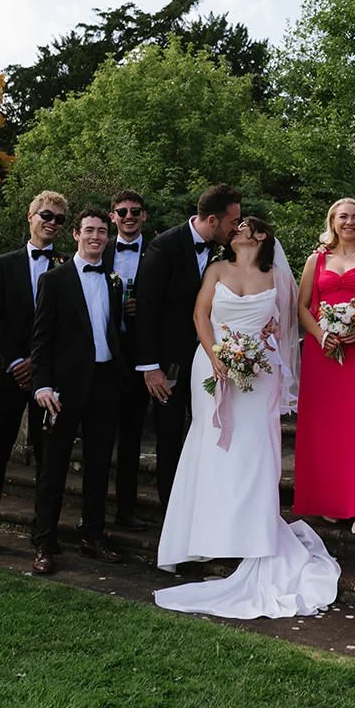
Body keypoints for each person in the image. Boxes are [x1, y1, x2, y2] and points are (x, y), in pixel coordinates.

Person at [155, 216, 341, 618]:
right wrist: (216, 354)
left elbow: (285, 325)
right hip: (212, 366)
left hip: (260, 372)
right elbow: (201, 316)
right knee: (213, 444)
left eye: (243, 225)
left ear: (259, 236)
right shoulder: (217, 269)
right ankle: (206, 535)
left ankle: (252, 533)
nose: (235, 229)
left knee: (255, 448)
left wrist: (268, 336)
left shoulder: (275, 275)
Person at [28, 208, 127, 574]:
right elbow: (41, 338)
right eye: (89, 230)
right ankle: (44, 542)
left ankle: (93, 536)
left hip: (104, 383)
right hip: (63, 389)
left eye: (102, 231)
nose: (96, 237)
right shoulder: (54, 280)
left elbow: (111, 331)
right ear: (76, 234)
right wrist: (42, 384)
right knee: (52, 468)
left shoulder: (114, 280)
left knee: (99, 466)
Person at [134, 184, 242, 508]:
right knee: (169, 438)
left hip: (210, 361)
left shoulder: (224, 251)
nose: (236, 228)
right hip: (168, 364)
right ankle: (172, 514)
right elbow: (146, 309)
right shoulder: (163, 247)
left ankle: (206, 507)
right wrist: (150, 366)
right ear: (212, 219)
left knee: (209, 434)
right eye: (232, 221)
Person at [293, 198, 355, 533]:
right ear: (332, 221)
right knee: (324, 426)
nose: (349, 222)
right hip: (322, 353)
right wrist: (321, 335)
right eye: (343, 217)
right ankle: (330, 499)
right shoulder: (316, 259)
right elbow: (303, 307)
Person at [0, 190, 67, 553]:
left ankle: (43, 536)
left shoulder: (68, 265)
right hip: (7, 374)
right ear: (30, 218)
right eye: (45, 215)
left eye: (59, 219)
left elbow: (71, 325)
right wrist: (17, 361)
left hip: (48, 376)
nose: (51, 223)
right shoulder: (4, 264)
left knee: (48, 460)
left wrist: (39, 363)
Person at [103, 189, 151, 529]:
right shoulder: (99, 251)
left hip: (141, 355)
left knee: (133, 437)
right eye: (122, 211)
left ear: (144, 215)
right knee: (101, 435)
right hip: (104, 354)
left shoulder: (158, 252)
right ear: (112, 217)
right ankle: (94, 511)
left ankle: (126, 509)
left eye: (135, 211)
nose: (129, 216)